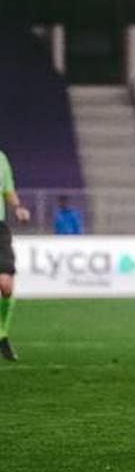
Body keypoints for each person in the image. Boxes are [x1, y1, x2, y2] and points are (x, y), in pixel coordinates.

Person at [0, 151, 30, 361]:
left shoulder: (1, 158)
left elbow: (8, 189)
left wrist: (18, 207)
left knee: (6, 286)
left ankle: (2, 334)